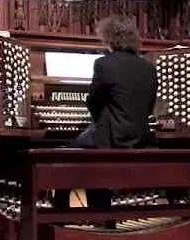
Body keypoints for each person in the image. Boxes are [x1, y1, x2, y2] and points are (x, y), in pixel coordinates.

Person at [54, 15, 157, 222]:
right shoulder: (149, 68)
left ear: (109, 38)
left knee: (61, 155)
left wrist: (99, 121)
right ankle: (102, 217)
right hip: (140, 137)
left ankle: (59, 220)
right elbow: (148, 106)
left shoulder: (103, 64)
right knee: (90, 152)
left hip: (112, 137)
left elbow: (92, 101)